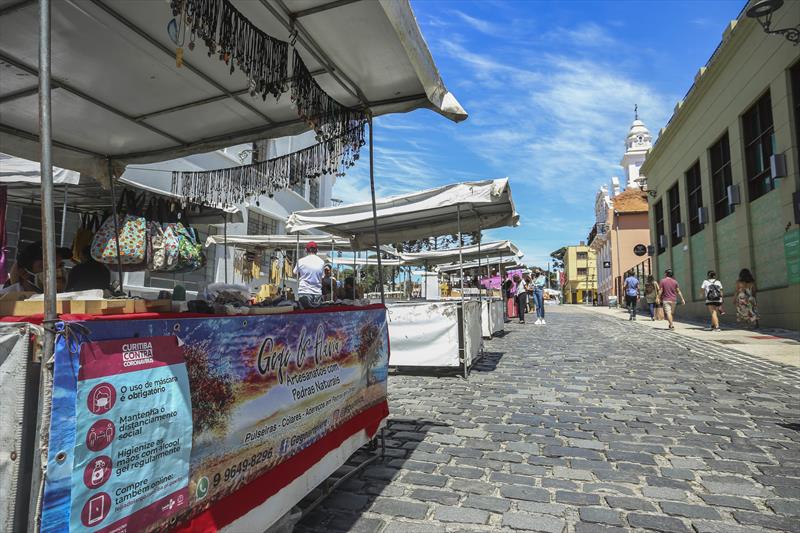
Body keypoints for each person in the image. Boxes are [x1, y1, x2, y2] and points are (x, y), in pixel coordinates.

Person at [3, 241, 71, 293]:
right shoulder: (5, 302)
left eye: (60, 265)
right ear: (23, 272)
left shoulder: (70, 301)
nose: (58, 272)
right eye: (46, 266)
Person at [293, 241, 324, 307]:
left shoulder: (301, 261)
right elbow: (322, 277)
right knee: (316, 313)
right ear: (317, 250)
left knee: (304, 312)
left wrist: (303, 275)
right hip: (317, 292)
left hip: (304, 291)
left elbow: (294, 273)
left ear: (306, 250)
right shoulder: (322, 262)